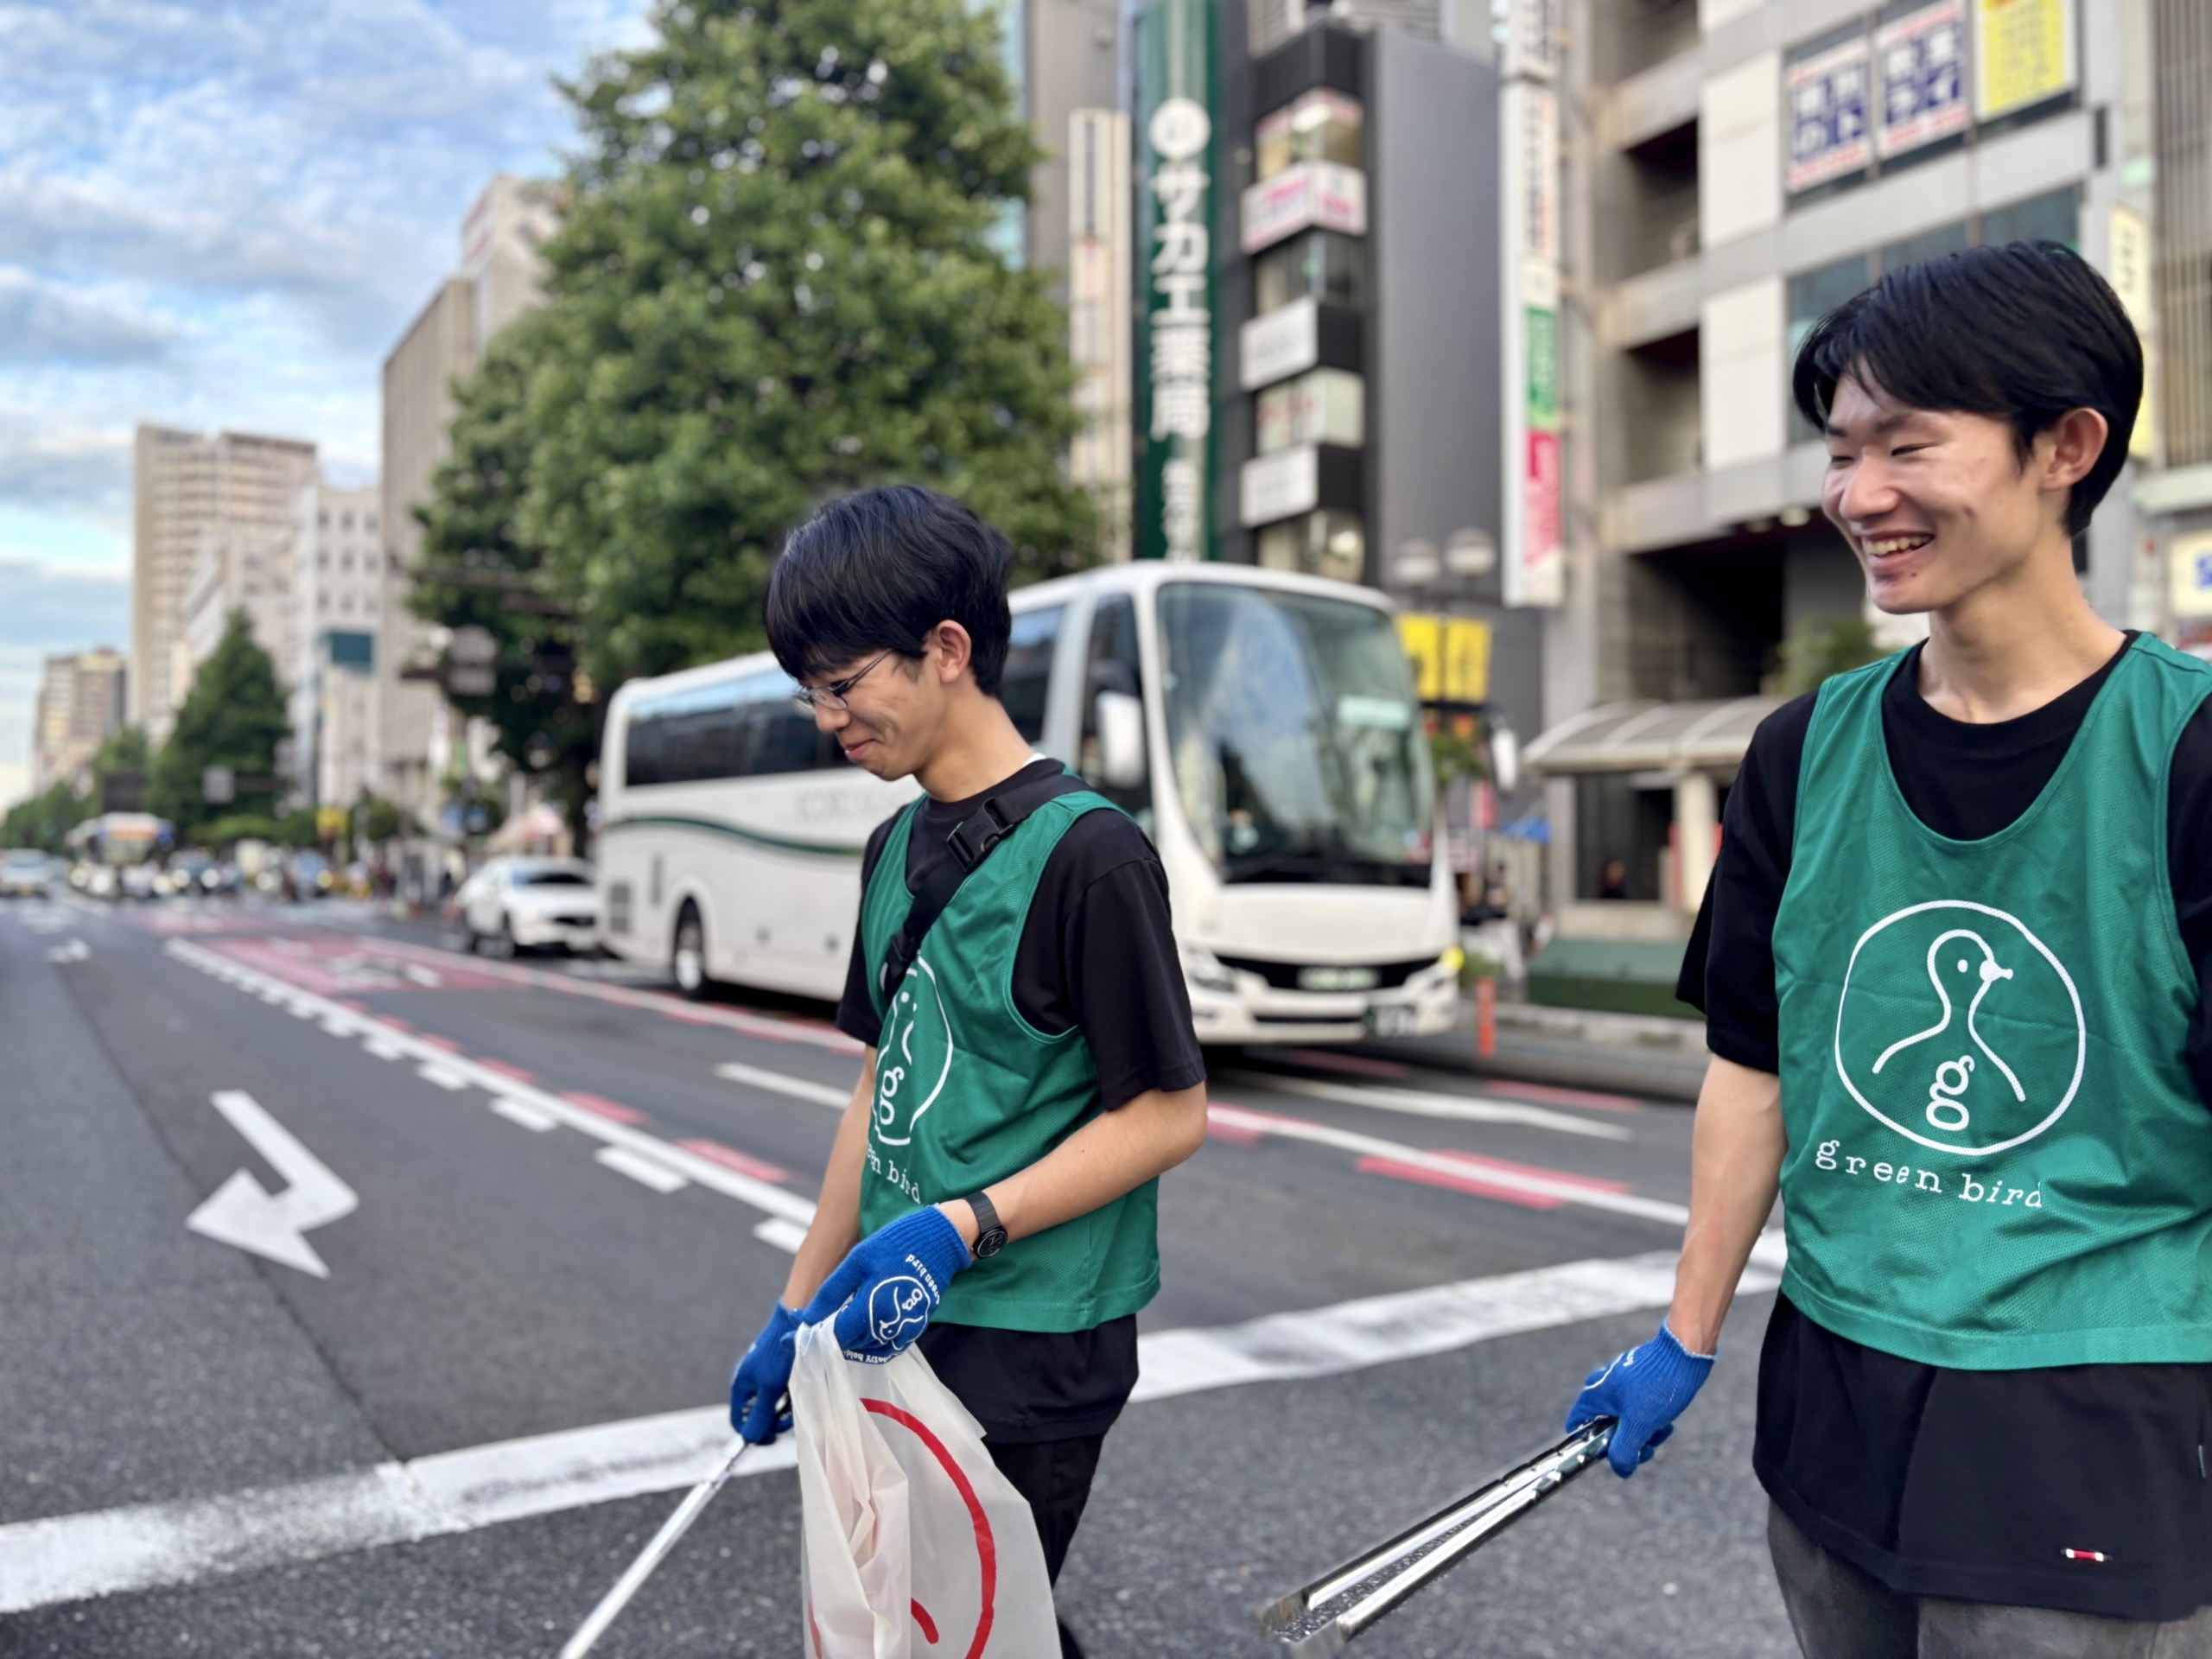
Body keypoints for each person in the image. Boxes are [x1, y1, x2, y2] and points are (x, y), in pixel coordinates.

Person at [1564, 240, 2212, 1654]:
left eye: (1908, 446)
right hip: (1835, 1404)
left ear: (2067, 448)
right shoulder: (1804, 751)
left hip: (2091, 1418)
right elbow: (1756, 1064)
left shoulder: (2192, 754)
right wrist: (1685, 1333)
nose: (1859, 495)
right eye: (1842, 450)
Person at [726, 485, 1210, 1657]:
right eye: (809, 691)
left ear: (946, 650)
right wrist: (796, 1306)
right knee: (928, 1626)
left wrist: (961, 1226)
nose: (827, 717)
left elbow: (1168, 1116)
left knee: (967, 1630)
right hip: (892, 1323)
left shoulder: (1092, 855)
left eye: (843, 684)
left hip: (1033, 1339)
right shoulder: (892, 845)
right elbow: (879, 1088)